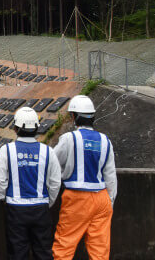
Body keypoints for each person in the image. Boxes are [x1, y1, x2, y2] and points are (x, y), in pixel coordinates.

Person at [0, 107, 61, 260]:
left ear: (15, 128)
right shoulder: (48, 151)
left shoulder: (7, 150)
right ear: (36, 128)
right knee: (43, 253)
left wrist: (4, 197)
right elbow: (55, 182)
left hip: (16, 209)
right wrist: (48, 202)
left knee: (17, 253)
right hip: (41, 208)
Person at [52, 95, 117, 260]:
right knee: (100, 251)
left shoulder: (69, 139)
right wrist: (110, 201)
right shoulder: (105, 140)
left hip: (77, 198)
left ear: (74, 117)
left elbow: (52, 164)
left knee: (64, 247)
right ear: (92, 116)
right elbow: (110, 176)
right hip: (102, 198)